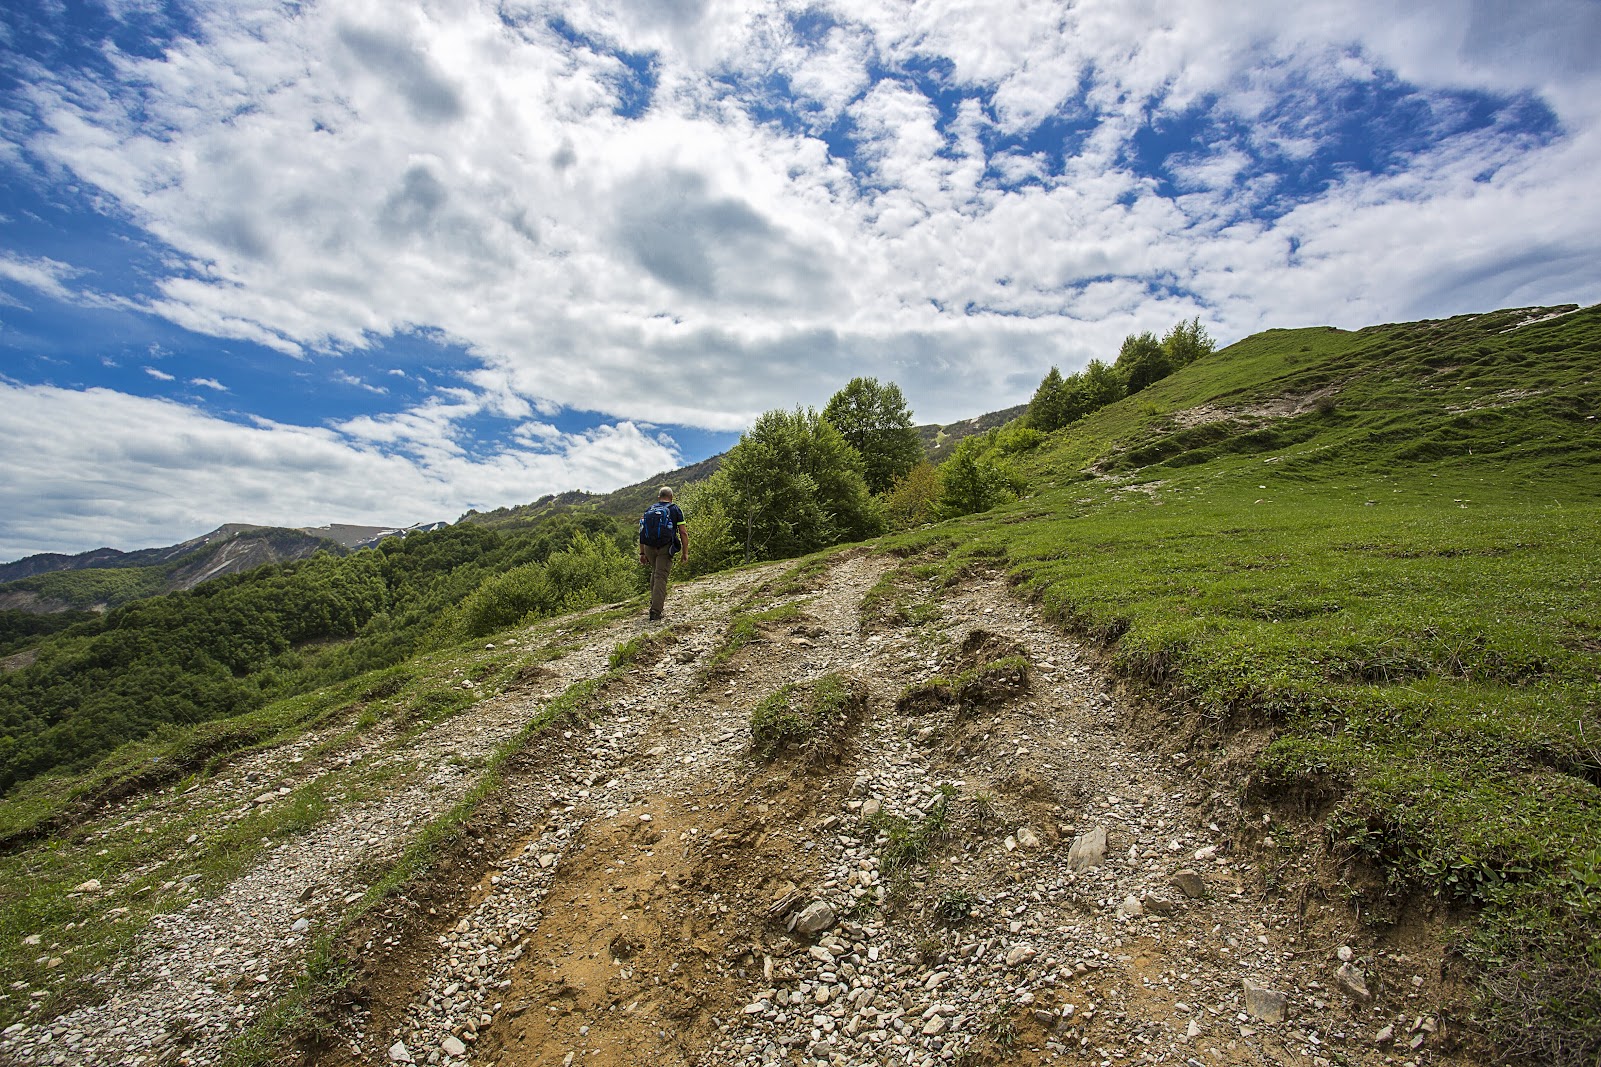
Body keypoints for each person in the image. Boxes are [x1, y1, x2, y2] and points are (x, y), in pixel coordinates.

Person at [638, 486, 688, 621]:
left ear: (659, 497)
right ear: (671, 498)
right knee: (661, 576)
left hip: (649, 547)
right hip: (665, 547)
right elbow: (683, 532)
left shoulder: (650, 509)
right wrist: (685, 552)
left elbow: (642, 531)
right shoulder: (675, 509)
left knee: (655, 572)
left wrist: (642, 553)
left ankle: (654, 602)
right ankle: (656, 611)